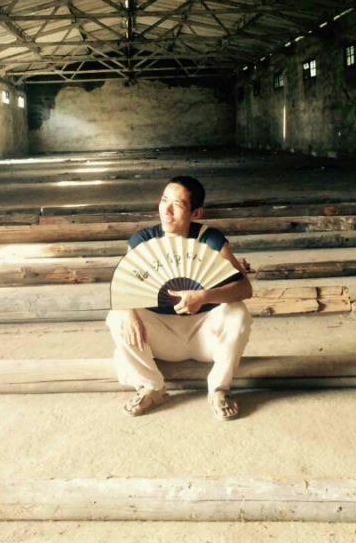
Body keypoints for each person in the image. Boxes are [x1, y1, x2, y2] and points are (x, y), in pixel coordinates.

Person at [105, 175, 253, 420]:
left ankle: (218, 390)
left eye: (178, 205)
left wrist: (204, 296)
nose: (167, 210)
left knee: (237, 312)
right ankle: (151, 388)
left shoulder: (210, 239)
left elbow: (244, 288)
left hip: (205, 335)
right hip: (160, 336)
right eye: (164, 200)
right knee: (118, 316)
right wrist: (129, 312)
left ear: (196, 213)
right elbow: (124, 285)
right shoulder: (143, 240)